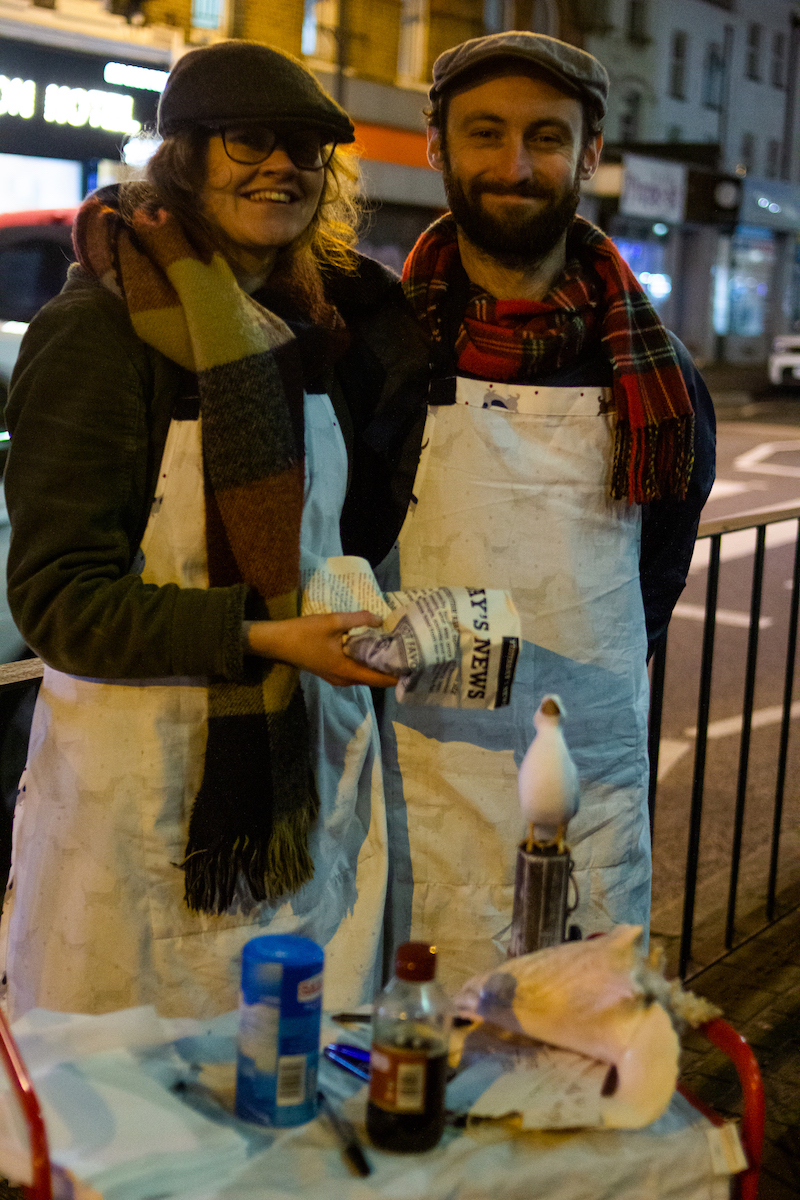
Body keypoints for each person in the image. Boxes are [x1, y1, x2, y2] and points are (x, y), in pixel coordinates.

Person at [0, 39, 416, 1020]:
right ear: (182, 154)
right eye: (248, 141)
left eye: (306, 149)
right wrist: (263, 636)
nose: (281, 165)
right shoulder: (101, 331)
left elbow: (332, 540)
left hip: (293, 786)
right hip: (142, 802)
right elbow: (60, 604)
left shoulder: (319, 332)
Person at [342, 31, 716, 991]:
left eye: (547, 137)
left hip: (575, 785)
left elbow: (654, 584)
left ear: (590, 154)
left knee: (561, 1066)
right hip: (404, 773)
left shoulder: (658, 382)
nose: (515, 165)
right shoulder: (371, 351)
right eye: (485, 133)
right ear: (436, 145)